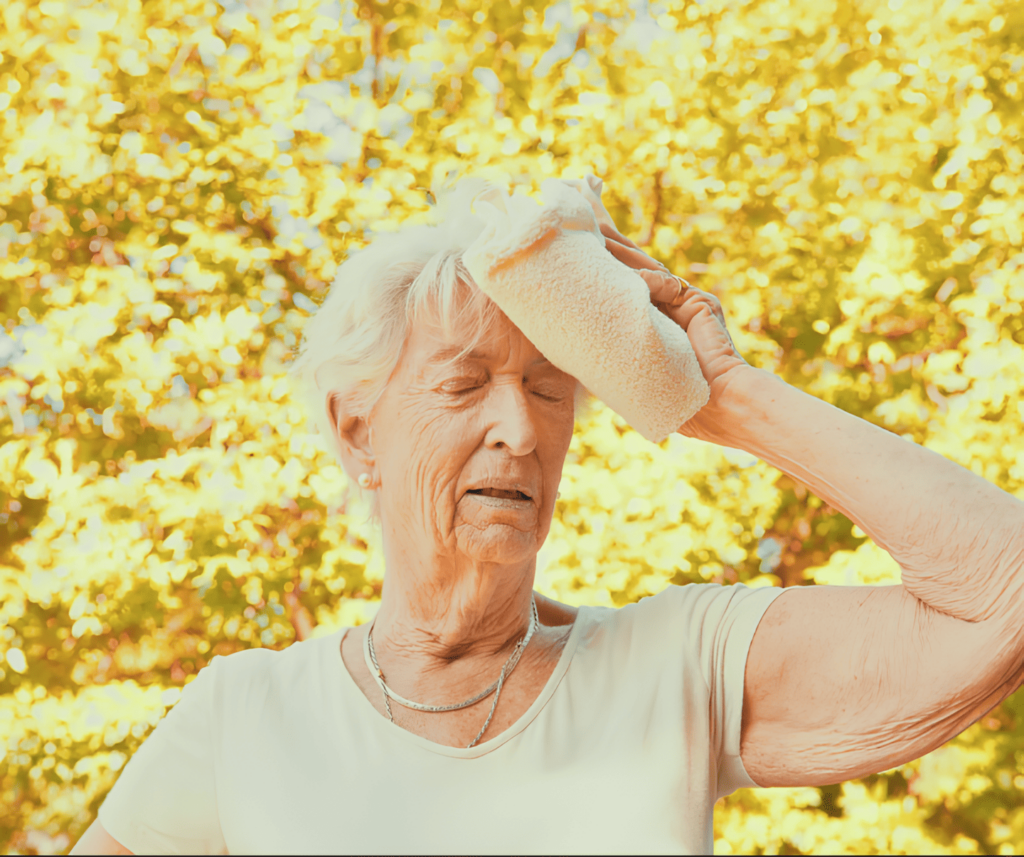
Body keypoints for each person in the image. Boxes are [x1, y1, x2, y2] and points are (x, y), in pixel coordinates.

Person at [71, 174, 1024, 855]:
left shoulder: (677, 666)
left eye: (549, 388)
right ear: (358, 430)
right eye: (464, 383)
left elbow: (1003, 592)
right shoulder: (245, 715)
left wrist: (727, 397)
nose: (521, 429)